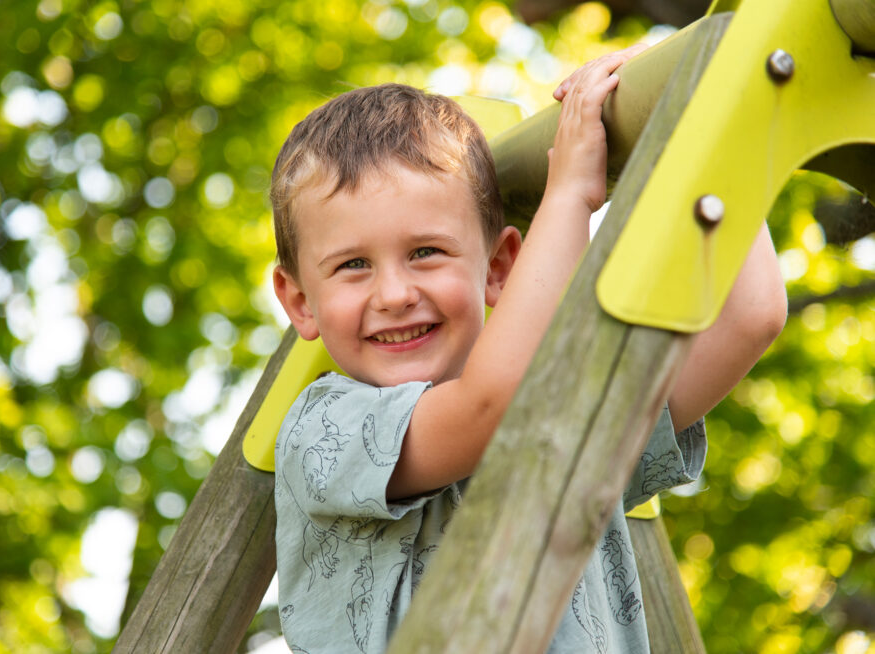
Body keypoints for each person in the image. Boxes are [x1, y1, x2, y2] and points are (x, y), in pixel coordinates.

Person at [268, 45, 787, 654]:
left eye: (425, 252)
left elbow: (748, 318)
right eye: (353, 265)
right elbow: (490, 407)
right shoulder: (321, 428)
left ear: (498, 267)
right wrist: (567, 196)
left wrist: (701, 111)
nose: (395, 293)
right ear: (301, 301)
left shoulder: (564, 423)